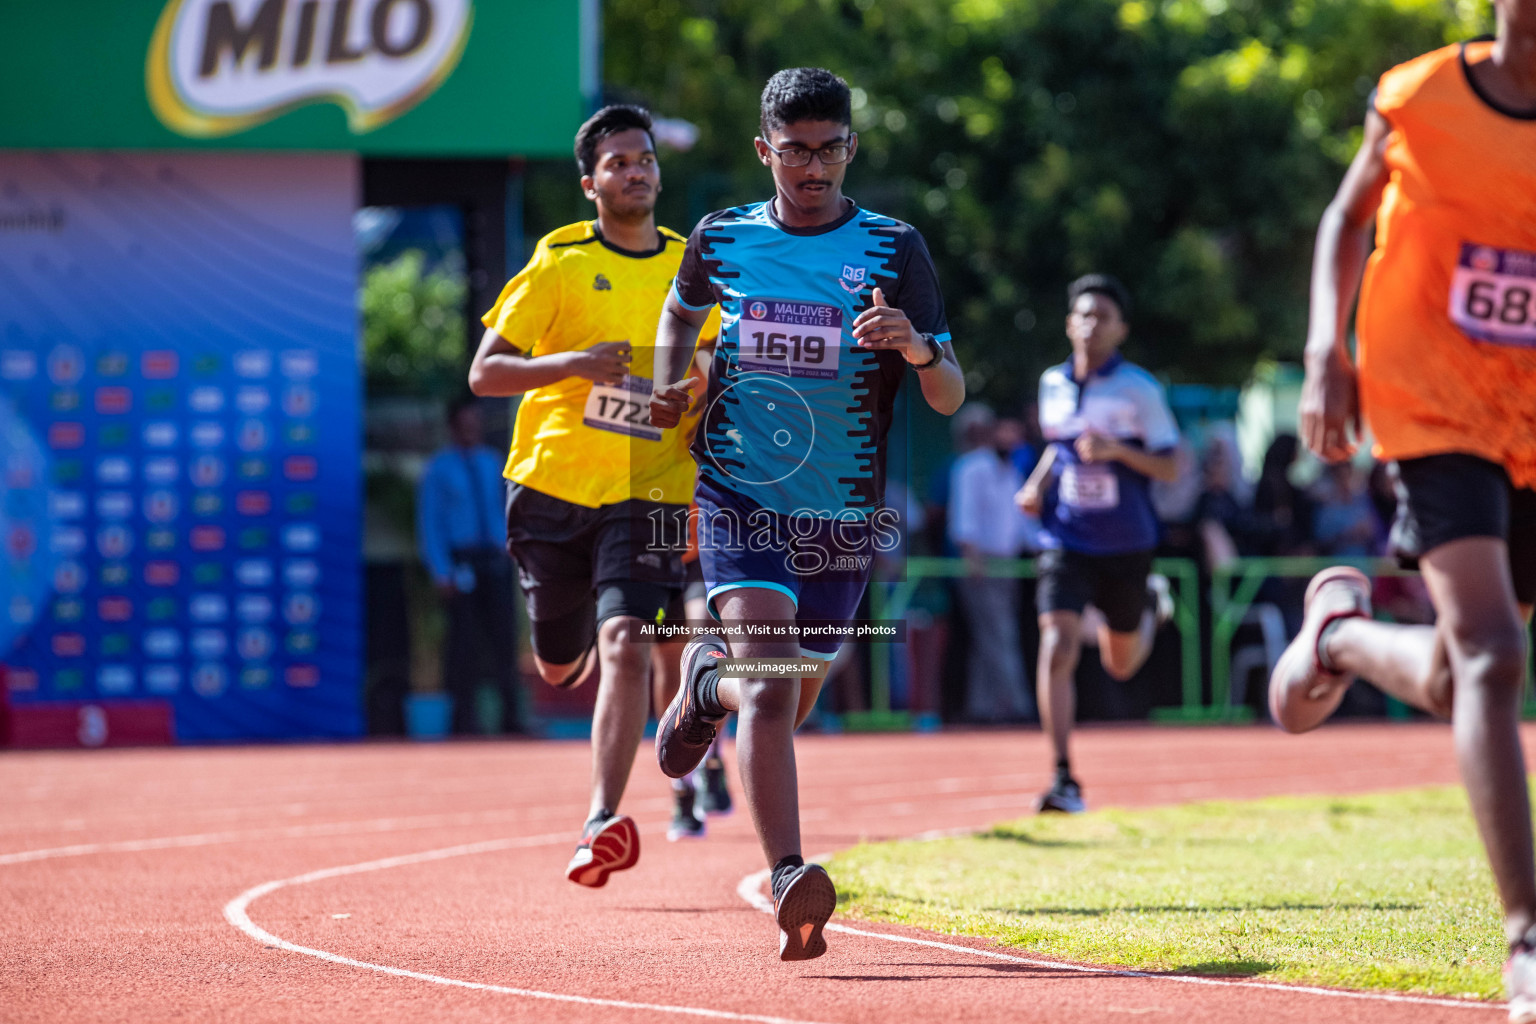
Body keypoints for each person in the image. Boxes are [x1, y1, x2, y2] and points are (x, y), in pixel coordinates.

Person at [648, 67, 964, 960]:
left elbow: (948, 395)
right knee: (778, 687)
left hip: (842, 514)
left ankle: (706, 685)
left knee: (788, 690)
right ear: (765, 151)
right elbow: (680, 315)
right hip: (740, 495)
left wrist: (915, 344)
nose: (813, 167)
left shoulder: (895, 248)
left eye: (829, 149)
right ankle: (789, 874)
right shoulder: (721, 238)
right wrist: (675, 380)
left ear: (851, 148)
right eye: (796, 151)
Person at [1267, 8, 1536, 1018]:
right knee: (1494, 654)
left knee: (1459, 668)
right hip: (1430, 404)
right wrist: (1323, 348)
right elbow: (1347, 217)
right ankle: (1527, 943)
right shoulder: (1420, 94)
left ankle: (1337, 637)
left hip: (1530, 413)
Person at [468, 104, 719, 888]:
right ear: (590, 183)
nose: (635, 170)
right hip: (551, 485)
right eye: (617, 162)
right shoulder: (559, 263)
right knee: (557, 663)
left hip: (650, 490)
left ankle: (600, 820)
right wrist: (575, 362)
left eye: (644, 158)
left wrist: (693, 393)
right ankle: (565, 652)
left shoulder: (694, 267)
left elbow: (717, 367)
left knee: (628, 644)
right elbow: (485, 374)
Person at [1016, 274, 1179, 814]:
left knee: (1120, 664)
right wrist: (1037, 485)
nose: (1090, 325)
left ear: (1121, 329)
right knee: (1057, 645)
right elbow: (1058, 450)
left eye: (1102, 317)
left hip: (1127, 541)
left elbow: (1173, 465)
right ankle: (1063, 776)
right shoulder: (1051, 384)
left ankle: (1150, 604)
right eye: (1083, 315)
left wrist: (1117, 451)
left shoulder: (1140, 389)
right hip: (1065, 536)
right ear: (1069, 324)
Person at [414, 396, 521, 735]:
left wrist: (512, 549)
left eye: (476, 422)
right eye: (465, 422)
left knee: (504, 641)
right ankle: (463, 721)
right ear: (453, 426)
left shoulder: (492, 462)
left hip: (495, 560)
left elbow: (508, 508)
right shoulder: (438, 468)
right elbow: (430, 523)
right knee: (463, 646)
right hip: (461, 564)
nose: (472, 429)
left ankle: (511, 718)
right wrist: (441, 570)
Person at [949, 407, 1034, 722]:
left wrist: (1039, 551)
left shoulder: (1011, 470)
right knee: (1000, 635)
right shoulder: (970, 468)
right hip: (982, 562)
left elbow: (1022, 523)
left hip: (1009, 564)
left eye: (1015, 432)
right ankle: (1019, 706)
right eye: (1005, 431)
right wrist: (973, 559)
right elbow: (965, 518)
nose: (1011, 438)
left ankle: (983, 707)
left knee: (991, 637)